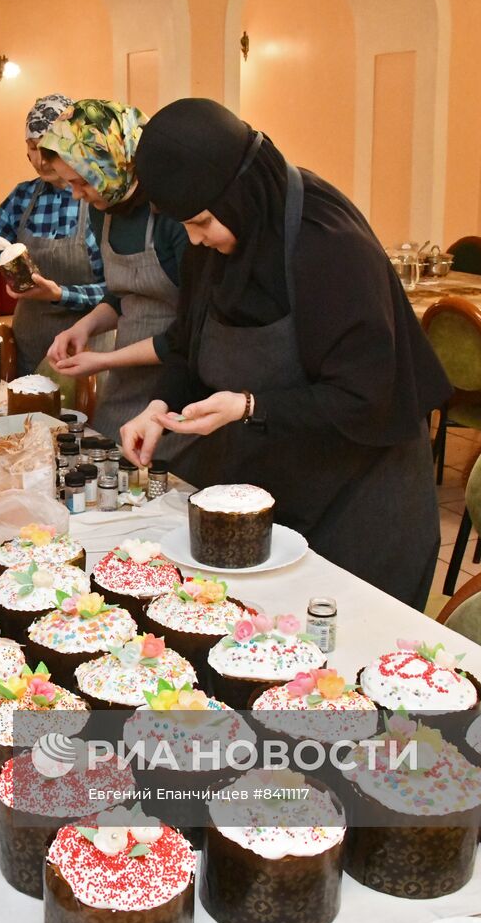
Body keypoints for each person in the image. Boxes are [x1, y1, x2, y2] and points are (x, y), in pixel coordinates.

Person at [118, 99, 451, 610]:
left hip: (360, 496)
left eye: (203, 221)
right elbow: (190, 344)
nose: (195, 239)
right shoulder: (215, 242)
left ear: (240, 192)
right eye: (185, 224)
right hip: (273, 482)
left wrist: (251, 407)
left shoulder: (328, 245)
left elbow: (365, 395)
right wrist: (159, 406)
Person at [38, 99, 191, 458]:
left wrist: (105, 361)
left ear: (110, 163)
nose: (76, 194)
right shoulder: (103, 209)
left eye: (80, 183)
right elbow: (123, 294)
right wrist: (85, 328)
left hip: (177, 388)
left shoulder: (173, 216)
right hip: (125, 384)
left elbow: (190, 334)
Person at [0, 94, 106, 376]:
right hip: (30, 345)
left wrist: (60, 294)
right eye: (32, 148)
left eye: (48, 149)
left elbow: (116, 292)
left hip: (88, 348)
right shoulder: (22, 197)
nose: (41, 161)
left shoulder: (98, 199)